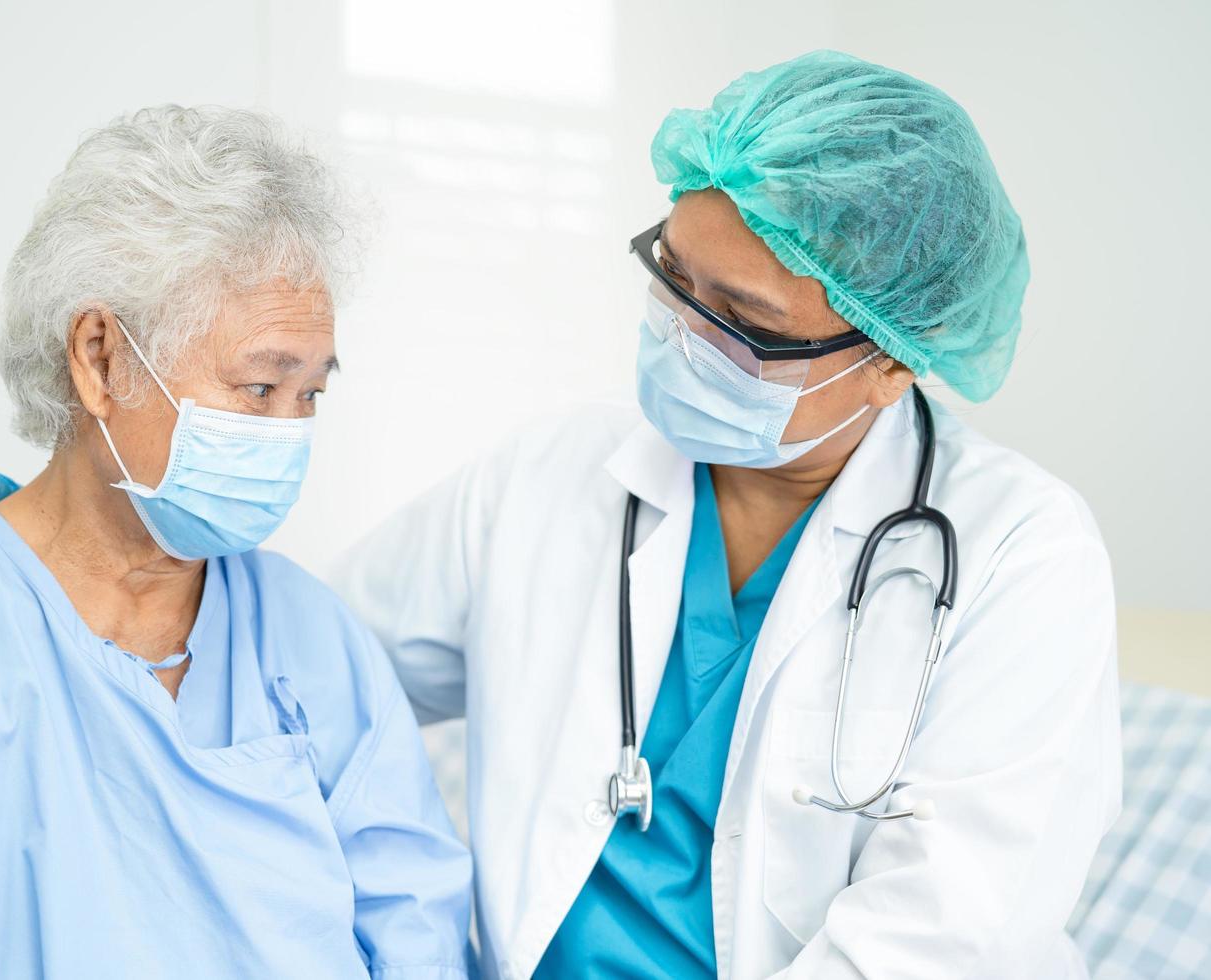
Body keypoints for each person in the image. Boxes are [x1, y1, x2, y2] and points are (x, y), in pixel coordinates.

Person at [329, 51, 1120, 979]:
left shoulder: (1021, 554)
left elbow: (946, 933)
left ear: (895, 358)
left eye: (746, 324)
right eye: (673, 274)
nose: (682, 337)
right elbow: (315, 675)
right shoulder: (544, 477)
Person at [0, 106, 471, 979]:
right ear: (100, 358)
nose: (289, 432)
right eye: (260, 385)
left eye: (310, 394)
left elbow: (417, 930)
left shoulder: (313, 638)